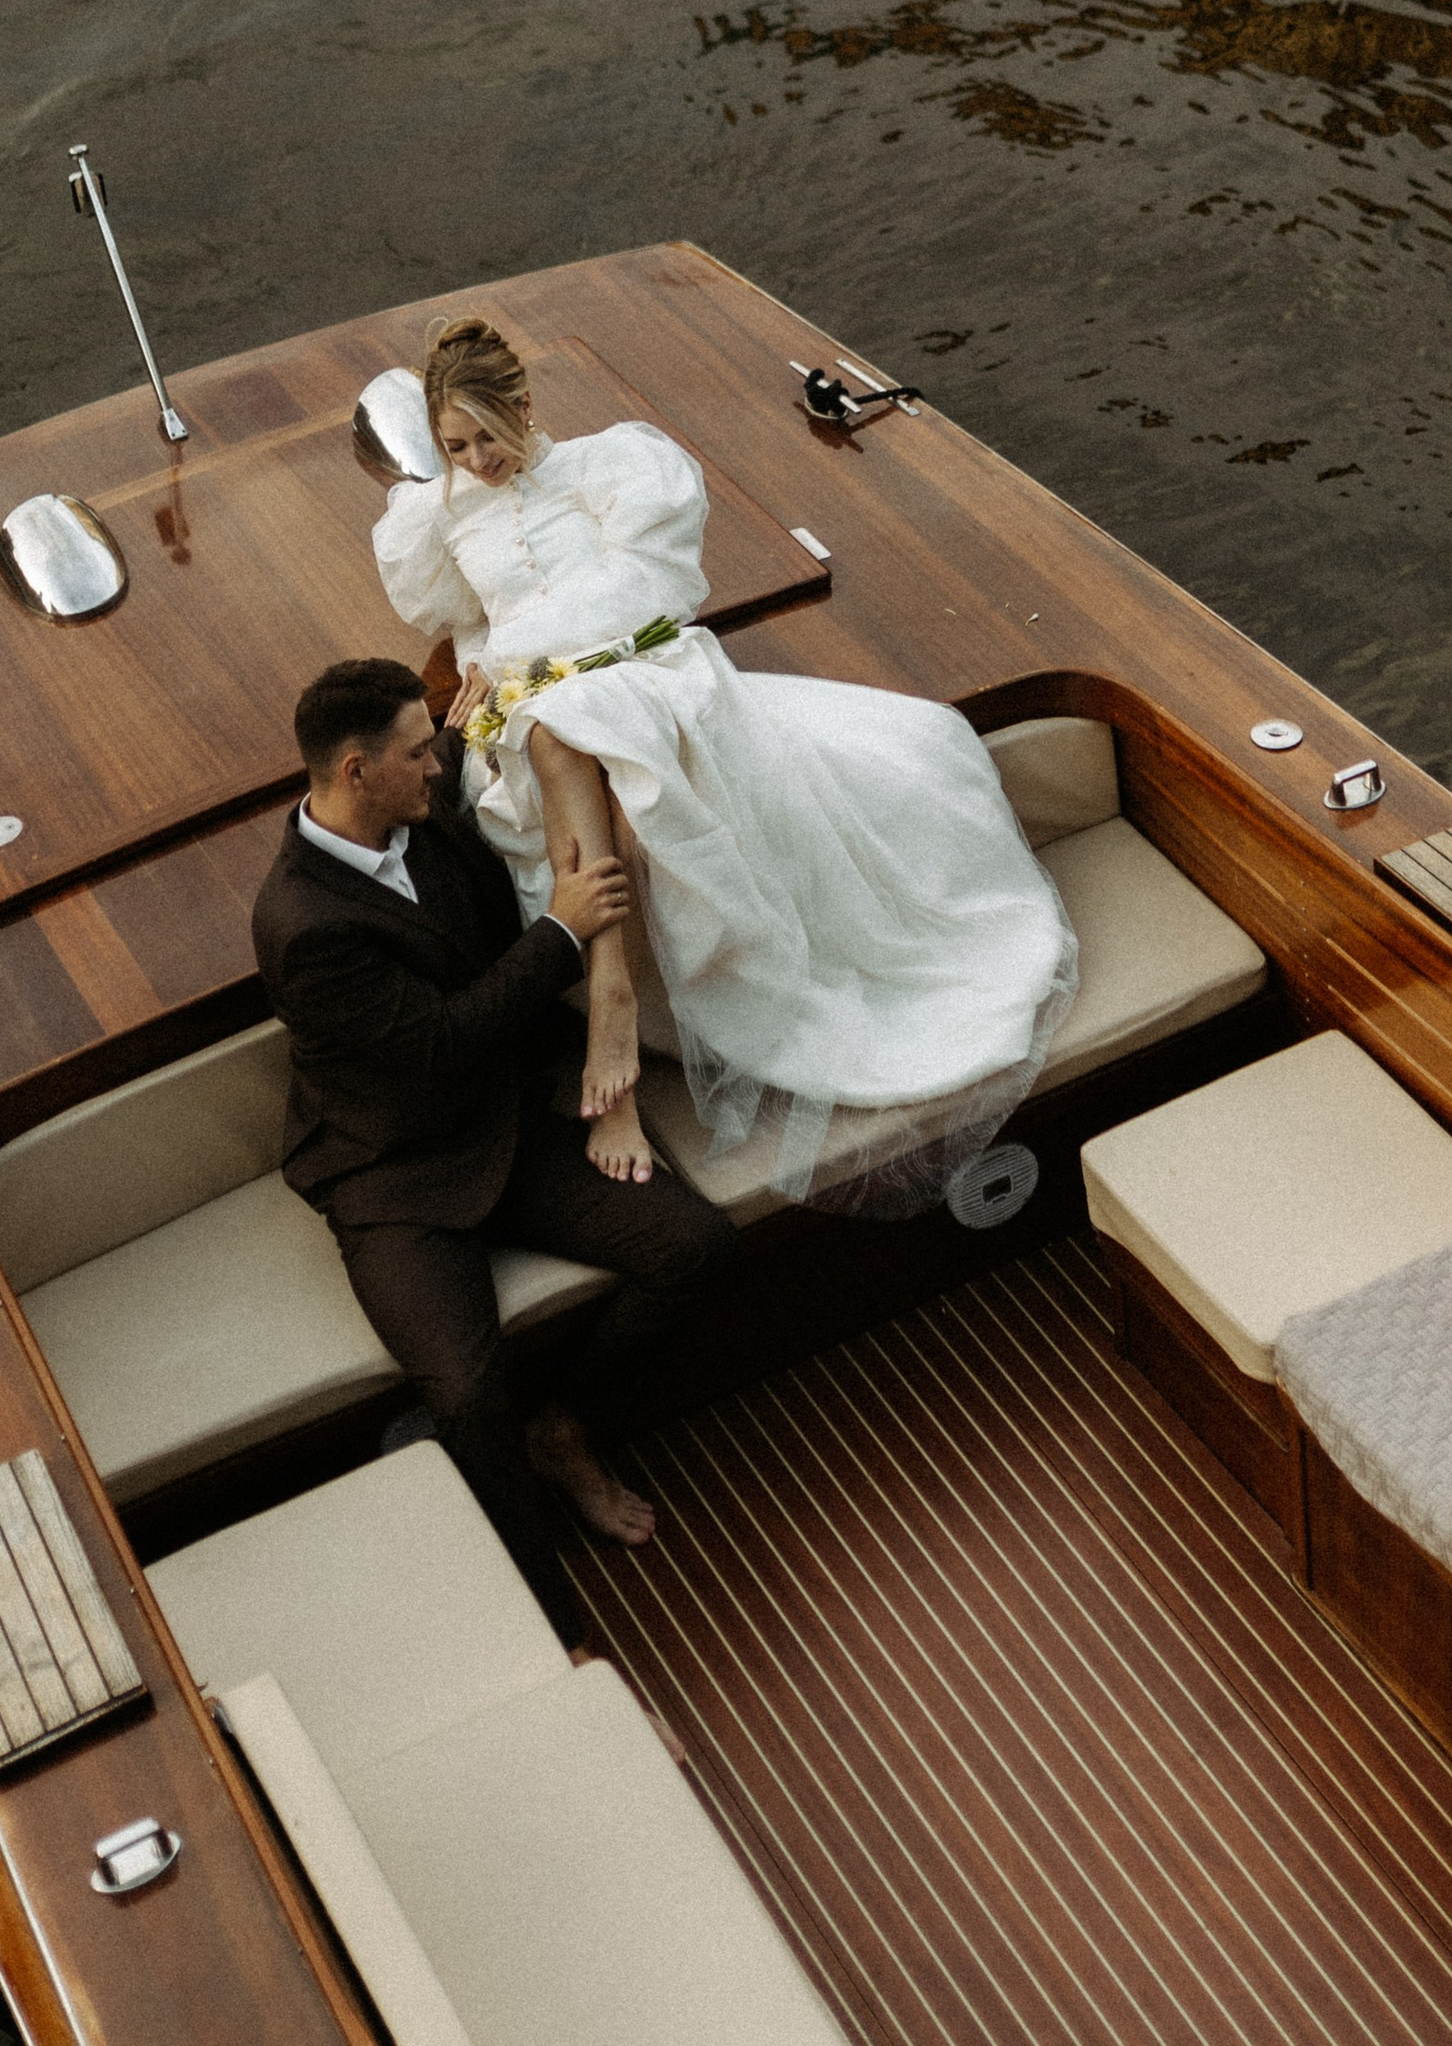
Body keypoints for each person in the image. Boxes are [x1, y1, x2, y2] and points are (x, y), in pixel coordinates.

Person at [372, 316, 1080, 1205]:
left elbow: (651, 584)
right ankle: (615, 999)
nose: (475, 460)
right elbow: (474, 613)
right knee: (562, 735)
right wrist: (487, 656)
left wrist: (522, 661)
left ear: (524, 406)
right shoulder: (443, 517)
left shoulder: (608, 466)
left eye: (487, 436)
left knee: (581, 735)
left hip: (645, 670)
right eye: (455, 446)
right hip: (541, 710)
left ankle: (609, 1012)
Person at [252, 655, 737, 1655]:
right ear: (354, 770)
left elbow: (490, 839)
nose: (433, 768)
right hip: (395, 1178)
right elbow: (439, 1043)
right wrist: (562, 933)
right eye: (415, 752)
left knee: (695, 1246)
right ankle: (562, 1638)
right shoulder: (301, 923)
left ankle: (570, 1431)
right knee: (469, 1398)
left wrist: (476, 739)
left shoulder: (420, 822)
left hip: (506, 1128)